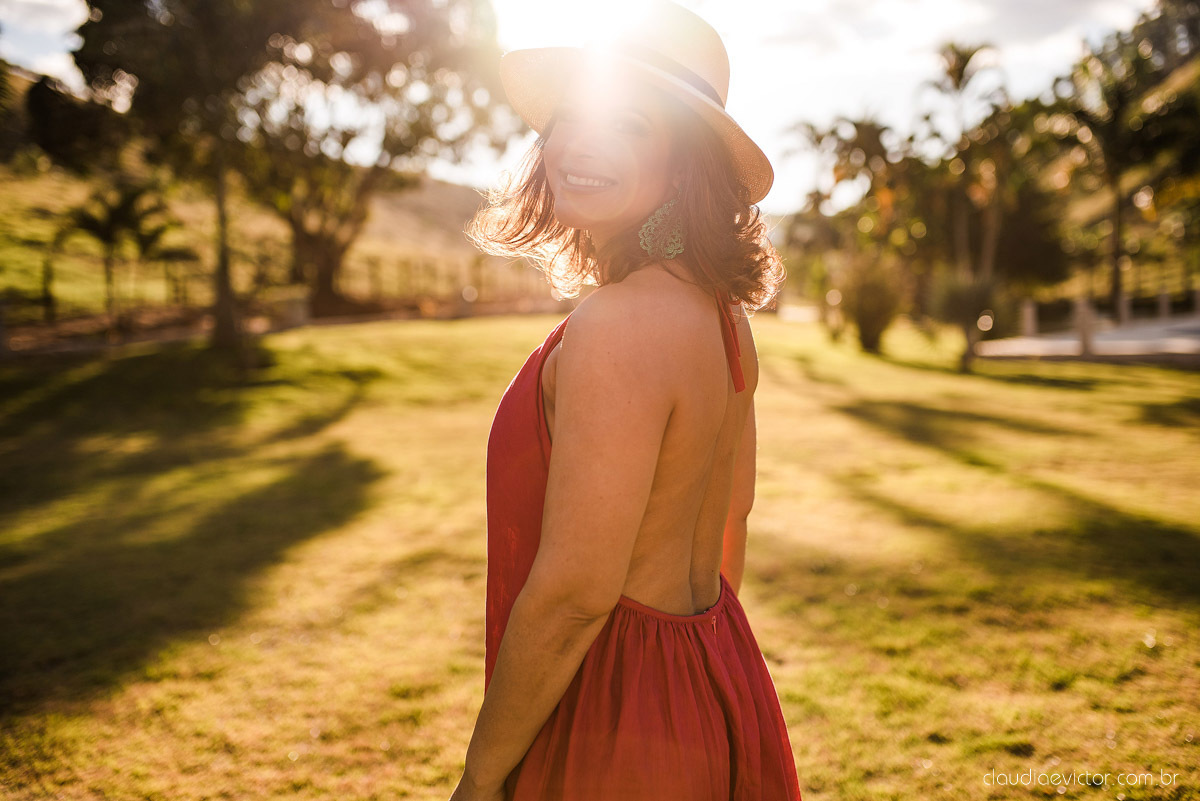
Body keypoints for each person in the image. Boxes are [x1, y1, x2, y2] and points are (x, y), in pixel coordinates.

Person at [451, 3, 803, 799]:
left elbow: (577, 593)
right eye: (572, 116)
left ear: (684, 164)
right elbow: (729, 525)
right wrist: (692, 677)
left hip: (616, 713)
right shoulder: (723, 318)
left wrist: (478, 778)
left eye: (629, 125)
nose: (581, 143)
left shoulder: (616, 324)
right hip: (714, 672)